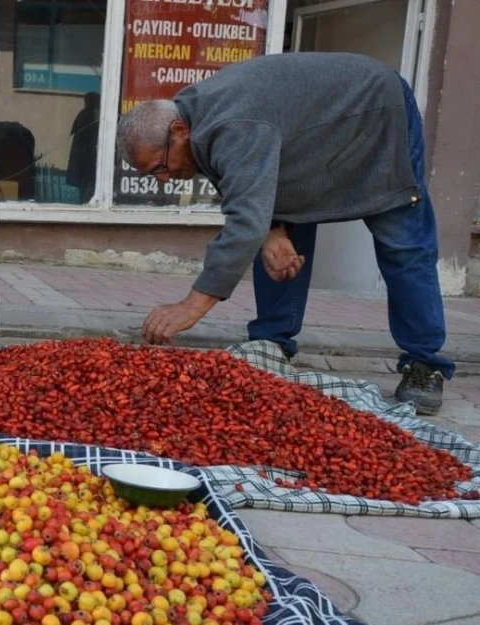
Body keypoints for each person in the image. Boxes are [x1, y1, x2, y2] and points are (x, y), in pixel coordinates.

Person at [115, 52, 453, 414]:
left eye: (161, 167)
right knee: (274, 235)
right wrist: (273, 229)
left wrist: (192, 305)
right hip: (309, 138)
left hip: (375, 113)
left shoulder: (231, 124)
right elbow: (243, 188)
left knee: (402, 241)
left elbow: (245, 222)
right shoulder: (192, 117)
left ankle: (425, 363)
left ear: (178, 131)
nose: (164, 179)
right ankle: (272, 342)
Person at [67, 92, 100, 204]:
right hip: (85, 160)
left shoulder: (89, 114)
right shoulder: (87, 115)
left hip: (86, 161)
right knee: (86, 188)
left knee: (87, 188)